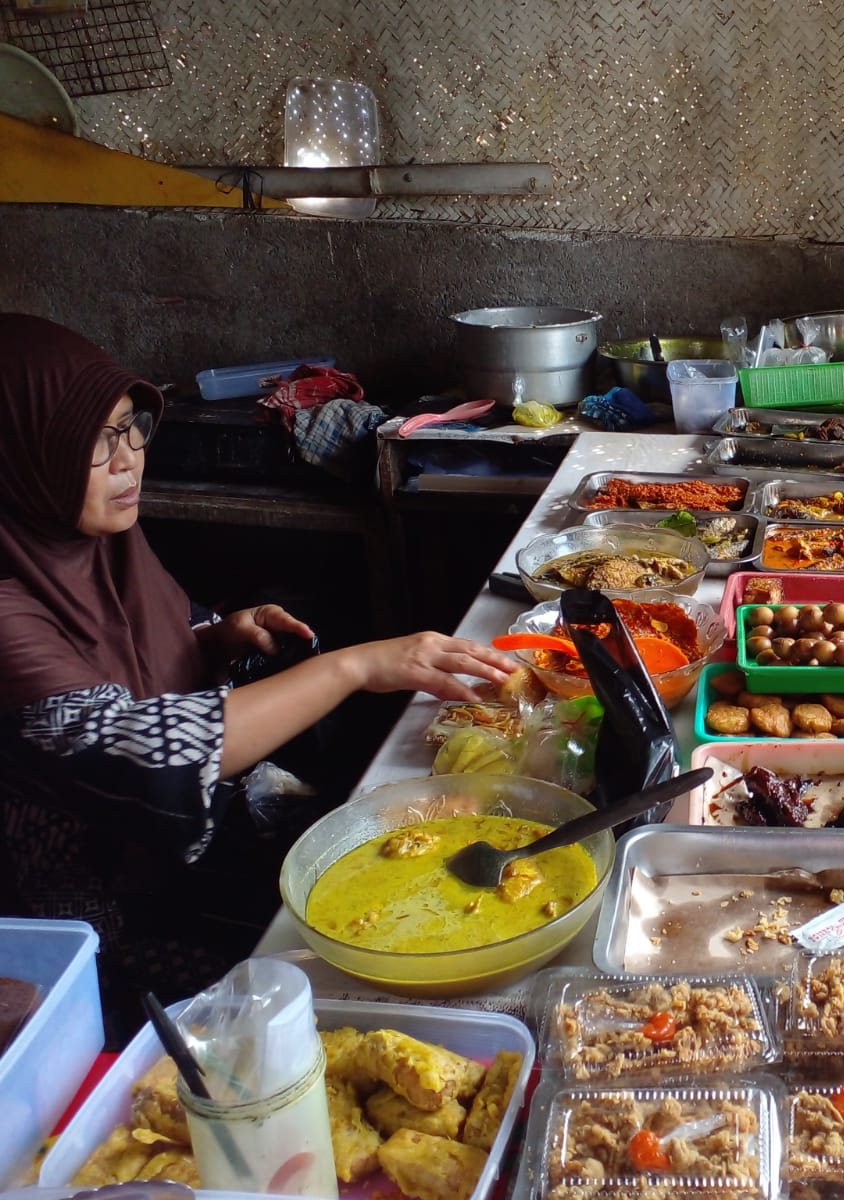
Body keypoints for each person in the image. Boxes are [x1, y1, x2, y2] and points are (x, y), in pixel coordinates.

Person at [0, 314, 519, 1038]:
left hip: (193, 851)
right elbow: (151, 752)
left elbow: (144, 650)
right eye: (93, 443)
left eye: (129, 428)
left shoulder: (93, 544)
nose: (127, 461)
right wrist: (357, 665)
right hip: (107, 928)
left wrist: (215, 637)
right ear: (19, 456)